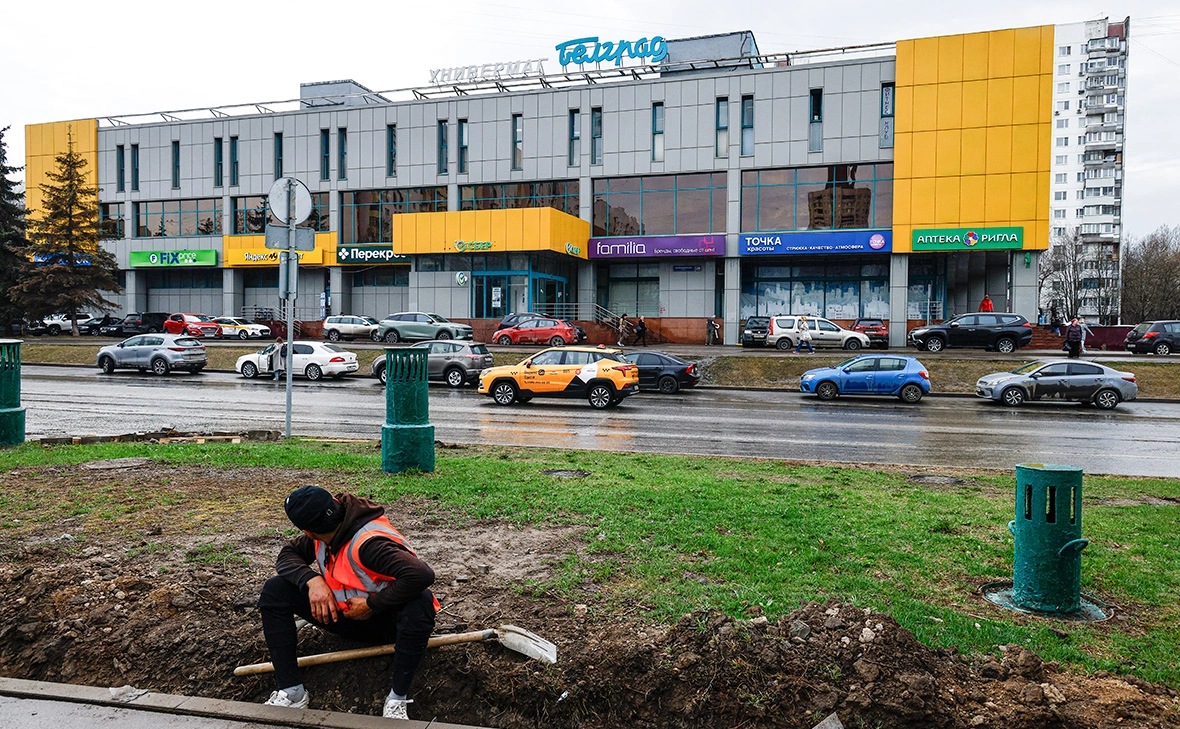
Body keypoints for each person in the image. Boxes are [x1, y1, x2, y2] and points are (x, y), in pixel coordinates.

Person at [257, 486, 437, 720]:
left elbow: (422, 575)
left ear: (307, 530)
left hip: (389, 625)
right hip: (345, 617)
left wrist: (372, 605)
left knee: (420, 602)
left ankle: (397, 699)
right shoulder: (323, 533)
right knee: (275, 590)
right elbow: (287, 555)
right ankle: (292, 693)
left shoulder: (369, 544)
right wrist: (311, 580)